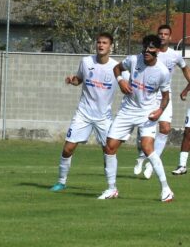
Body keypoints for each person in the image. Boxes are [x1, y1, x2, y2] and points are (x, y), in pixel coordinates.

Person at [98, 35, 173, 202]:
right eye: (145, 47)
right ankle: (111, 189)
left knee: (147, 148)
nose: (147, 51)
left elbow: (166, 96)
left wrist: (160, 110)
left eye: (151, 48)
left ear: (158, 51)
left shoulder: (162, 72)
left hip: (147, 112)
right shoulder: (133, 60)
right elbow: (117, 68)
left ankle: (166, 189)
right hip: (127, 111)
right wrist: (120, 81)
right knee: (109, 147)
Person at [50, 33, 118, 192]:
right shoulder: (86, 62)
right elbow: (79, 79)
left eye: (105, 43)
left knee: (109, 150)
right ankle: (61, 182)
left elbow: (128, 85)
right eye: (99, 42)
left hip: (104, 117)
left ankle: (111, 187)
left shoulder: (117, 67)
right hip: (83, 114)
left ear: (110, 46)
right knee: (67, 148)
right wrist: (72, 80)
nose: (101, 45)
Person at [134, 24, 190, 178]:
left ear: (170, 37)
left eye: (166, 34)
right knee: (142, 129)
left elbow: (185, 68)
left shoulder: (175, 55)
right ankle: (140, 157)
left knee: (165, 129)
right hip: (148, 96)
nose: (163, 36)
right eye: (160, 33)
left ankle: (153, 164)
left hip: (165, 97)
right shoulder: (148, 52)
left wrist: (187, 87)